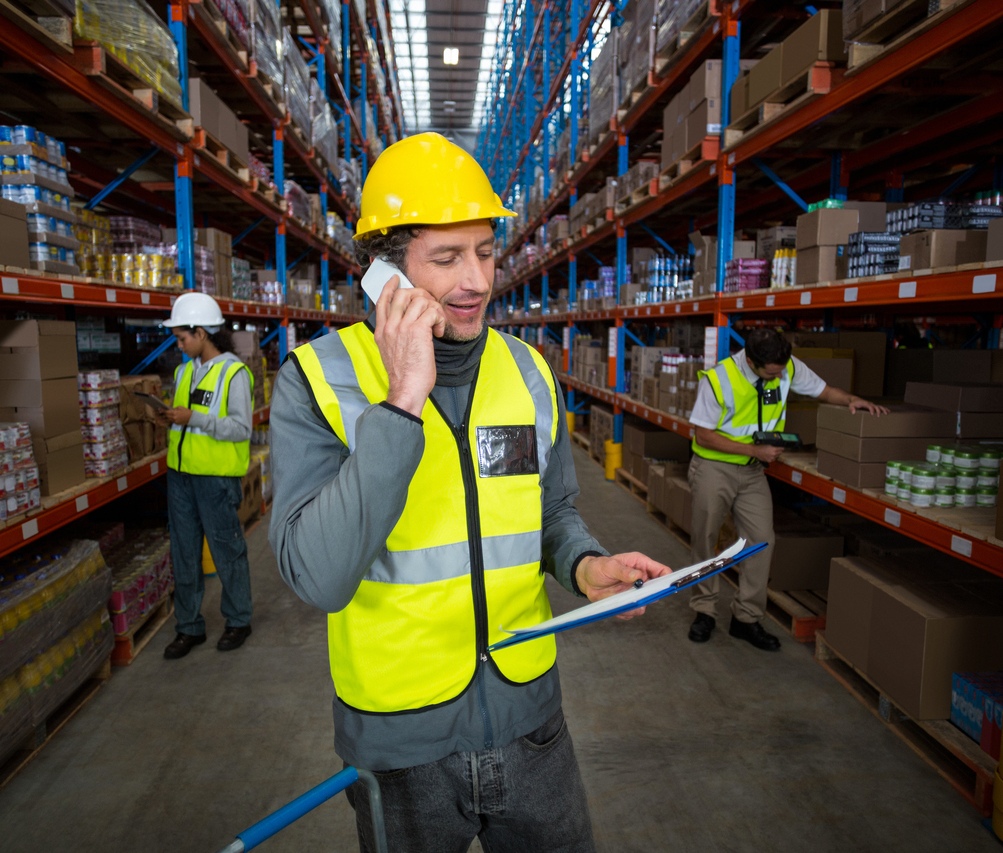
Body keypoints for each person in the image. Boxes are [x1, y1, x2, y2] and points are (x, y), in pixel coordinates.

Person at [268, 132, 672, 852]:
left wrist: (587, 566)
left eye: (485, 252)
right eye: (447, 258)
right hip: (401, 745)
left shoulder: (529, 372)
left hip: (532, 722)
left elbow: (551, 513)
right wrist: (402, 400)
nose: (477, 281)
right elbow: (320, 576)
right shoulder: (318, 382)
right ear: (385, 275)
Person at [685, 328, 889, 650]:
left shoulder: (786, 365)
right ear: (750, 361)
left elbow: (823, 391)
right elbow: (703, 436)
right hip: (715, 468)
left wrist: (852, 400)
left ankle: (746, 618)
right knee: (705, 538)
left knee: (762, 542)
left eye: (782, 369)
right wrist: (756, 451)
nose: (781, 376)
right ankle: (704, 611)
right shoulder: (718, 379)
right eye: (773, 372)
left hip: (752, 473)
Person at [156, 292, 255, 659]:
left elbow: (241, 428)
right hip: (180, 476)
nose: (180, 345)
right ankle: (189, 627)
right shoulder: (184, 372)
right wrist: (169, 418)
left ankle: (238, 620)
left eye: (183, 338)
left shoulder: (234, 373)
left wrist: (193, 418)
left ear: (201, 332)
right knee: (184, 554)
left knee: (227, 552)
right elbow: (187, 420)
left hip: (214, 479)